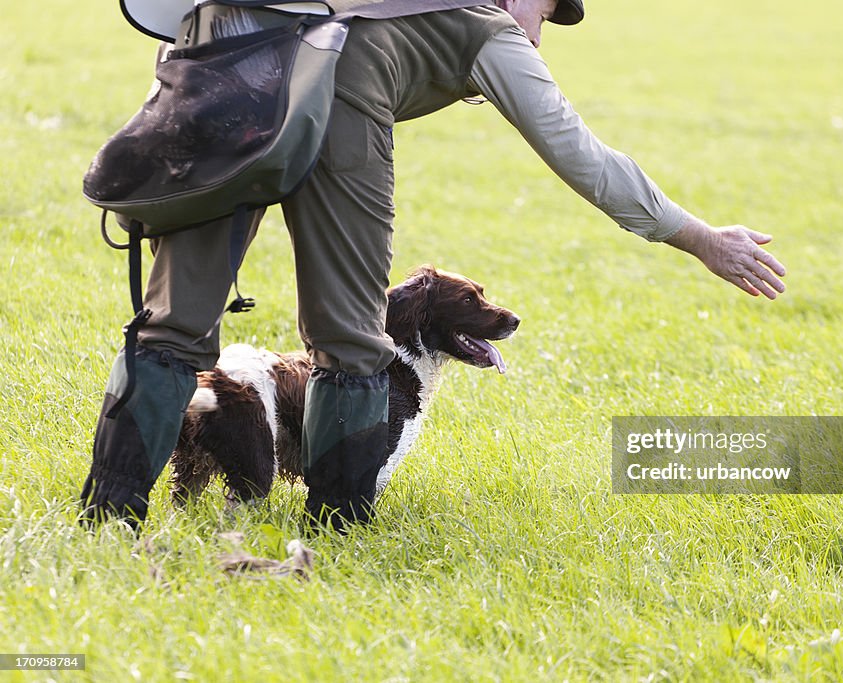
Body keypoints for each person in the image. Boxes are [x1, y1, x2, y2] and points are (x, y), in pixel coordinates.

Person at [80, 0, 787, 531]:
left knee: (170, 324)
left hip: (220, 56)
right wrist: (699, 237)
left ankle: (107, 519)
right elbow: (585, 158)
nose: (539, 32)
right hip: (334, 93)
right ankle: (338, 527)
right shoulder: (485, 23)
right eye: (543, 9)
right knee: (352, 338)